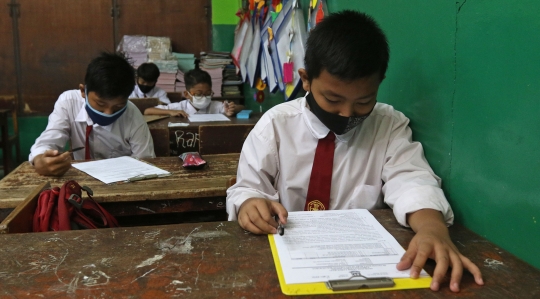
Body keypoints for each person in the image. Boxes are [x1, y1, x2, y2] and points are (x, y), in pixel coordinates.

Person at [226, 10, 483, 292]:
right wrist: (250, 203)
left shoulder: (389, 126)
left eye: (364, 101)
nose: (347, 114)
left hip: (361, 266)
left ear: (379, 84)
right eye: (333, 99)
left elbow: (411, 180)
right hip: (284, 260)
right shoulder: (275, 126)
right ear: (306, 79)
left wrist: (432, 229)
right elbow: (249, 188)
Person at [29, 52, 155, 176]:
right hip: (81, 181)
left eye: (118, 106)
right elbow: (49, 140)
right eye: (100, 104)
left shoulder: (132, 115)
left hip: (122, 180)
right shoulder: (68, 103)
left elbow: (146, 161)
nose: (108, 113)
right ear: (83, 91)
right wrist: (41, 160)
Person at [144, 68, 244, 117]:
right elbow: (147, 111)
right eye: (198, 94)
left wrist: (233, 108)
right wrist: (170, 112)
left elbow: (242, 107)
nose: (204, 98)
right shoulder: (181, 107)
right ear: (187, 94)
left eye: (208, 93)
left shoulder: (214, 106)